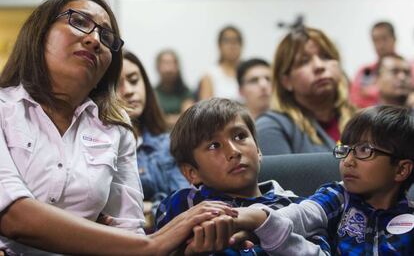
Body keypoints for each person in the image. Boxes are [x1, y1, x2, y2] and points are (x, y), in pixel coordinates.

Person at [0, 0, 237, 255]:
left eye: (106, 36)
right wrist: (151, 243)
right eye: (79, 22)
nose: (94, 40)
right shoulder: (3, 109)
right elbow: (12, 216)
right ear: (40, 33)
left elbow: (128, 228)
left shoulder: (115, 126)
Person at [155, 98, 330, 255]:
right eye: (214, 145)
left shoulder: (296, 207)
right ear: (192, 173)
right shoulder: (184, 206)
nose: (234, 151)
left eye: (240, 136)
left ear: (259, 150)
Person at [255, 105, 414, 255]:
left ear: (401, 170)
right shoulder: (339, 196)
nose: (347, 161)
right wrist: (255, 219)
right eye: (345, 150)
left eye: (364, 150)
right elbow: (301, 214)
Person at [117, 49, 189, 228]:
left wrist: (149, 208)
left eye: (134, 80)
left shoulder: (167, 143)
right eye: (116, 85)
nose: (128, 91)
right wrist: (158, 207)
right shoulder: (100, 145)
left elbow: (184, 204)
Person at [256, 27, 354, 155]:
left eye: (326, 57)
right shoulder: (271, 127)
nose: (319, 66)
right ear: (286, 81)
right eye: (304, 61)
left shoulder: (364, 120)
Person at [350, 21, 398, 108]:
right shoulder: (364, 71)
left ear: (394, 39)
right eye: (376, 40)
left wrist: (370, 91)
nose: (380, 45)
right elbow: (354, 100)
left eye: (384, 39)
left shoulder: (409, 68)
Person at [198, 25, 243, 101]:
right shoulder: (209, 75)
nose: (232, 45)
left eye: (236, 41)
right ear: (219, 45)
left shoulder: (249, 73)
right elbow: (206, 110)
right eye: (227, 41)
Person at [154, 49, 194, 128]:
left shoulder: (186, 92)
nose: (169, 68)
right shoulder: (153, 93)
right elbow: (155, 119)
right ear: (157, 67)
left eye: (172, 63)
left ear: (178, 66)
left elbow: (188, 118)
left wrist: (165, 119)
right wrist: (178, 118)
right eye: (165, 63)